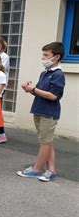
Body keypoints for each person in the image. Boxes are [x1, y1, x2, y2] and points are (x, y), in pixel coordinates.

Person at [17, 42, 65, 182]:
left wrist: (33, 89)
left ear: (56, 57)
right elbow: (39, 92)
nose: (43, 58)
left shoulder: (58, 74)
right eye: (43, 55)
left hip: (49, 113)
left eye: (46, 55)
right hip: (39, 110)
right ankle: (51, 170)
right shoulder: (44, 73)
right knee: (47, 141)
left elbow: (53, 96)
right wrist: (29, 88)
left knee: (45, 142)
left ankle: (37, 169)